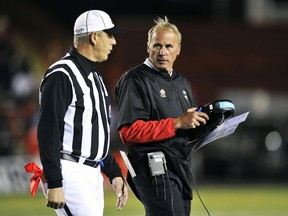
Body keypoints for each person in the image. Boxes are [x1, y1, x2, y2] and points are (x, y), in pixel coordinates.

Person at [37, 10, 128, 216]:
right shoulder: (62, 74)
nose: (114, 42)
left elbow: (96, 133)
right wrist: (54, 181)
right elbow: (48, 129)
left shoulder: (94, 77)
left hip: (92, 173)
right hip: (70, 172)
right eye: (110, 35)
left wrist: (113, 171)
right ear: (94, 36)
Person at [115, 16, 209, 216]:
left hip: (181, 170)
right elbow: (128, 133)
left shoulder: (182, 81)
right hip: (154, 171)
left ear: (178, 50)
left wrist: (207, 127)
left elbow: (186, 127)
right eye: (157, 45)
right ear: (148, 47)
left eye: (168, 46)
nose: (163, 52)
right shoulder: (135, 80)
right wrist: (176, 123)